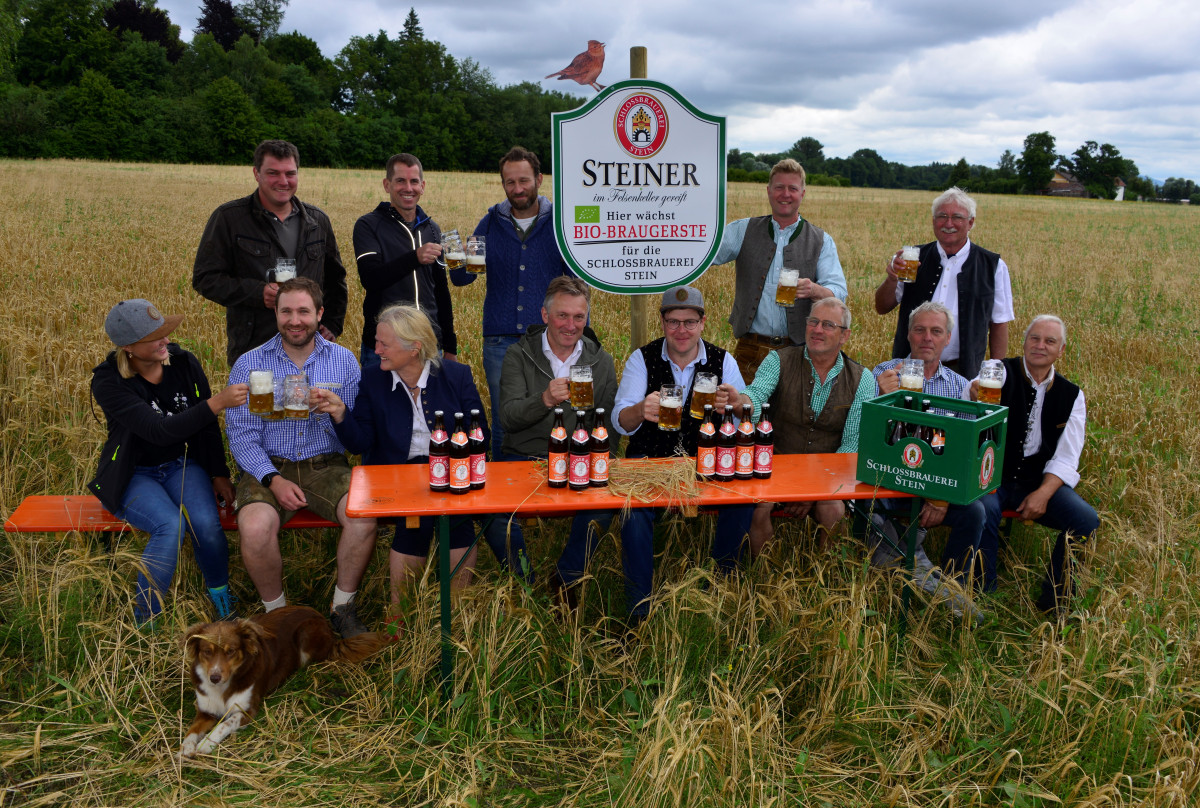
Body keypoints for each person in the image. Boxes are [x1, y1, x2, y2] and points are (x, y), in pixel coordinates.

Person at [312, 305, 486, 626]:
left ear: (414, 347)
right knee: (414, 518)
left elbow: (480, 434)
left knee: (458, 517)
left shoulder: (455, 375)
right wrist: (339, 413)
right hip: (396, 476)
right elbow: (360, 443)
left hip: (450, 470)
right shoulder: (372, 379)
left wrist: (451, 460)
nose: (376, 350)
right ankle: (401, 616)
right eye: (376, 342)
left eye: (384, 344)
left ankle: (458, 611)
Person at [226, 278, 375, 637]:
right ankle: (278, 616)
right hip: (269, 466)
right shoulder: (249, 363)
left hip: (326, 465)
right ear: (275, 314)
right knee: (255, 526)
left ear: (319, 313)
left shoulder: (344, 361)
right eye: (287, 311)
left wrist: (338, 412)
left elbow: (357, 436)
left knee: (364, 517)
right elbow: (242, 434)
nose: (295, 320)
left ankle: (342, 609)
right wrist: (272, 479)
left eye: (304, 311)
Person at [89, 299, 248, 625]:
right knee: (169, 526)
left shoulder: (184, 363)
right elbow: (157, 430)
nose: (166, 341)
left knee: (206, 524)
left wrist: (218, 473)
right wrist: (217, 402)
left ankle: (221, 603)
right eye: (155, 337)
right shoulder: (108, 382)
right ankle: (147, 622)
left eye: (165, 333)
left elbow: (205, 427)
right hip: (133, 474)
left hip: (181, 464)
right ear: (129, 347)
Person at [611, 286, 751, 624]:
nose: (681, 331)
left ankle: (718, 589)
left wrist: (737, 404)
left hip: (705, 465)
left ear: (703, 322)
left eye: (689, 322)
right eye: (673, 322)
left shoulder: (723, 360)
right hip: (651, 463)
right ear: (662, 322)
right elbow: (619, 420)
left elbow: (747, 412)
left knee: (743, 500)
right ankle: (639, 609)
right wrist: (639, 409)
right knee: (633, 512)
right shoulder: (641, 358)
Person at [970, 315, 1099, 614]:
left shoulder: (1072, 395)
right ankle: (984, 596)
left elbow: (1067, 455)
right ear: (1024, 342)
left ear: (1061, 350)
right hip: (992, 476)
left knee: (1085, 521)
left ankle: (1055, 603)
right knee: (983, 509)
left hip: (1037, 480)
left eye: (1049, 341)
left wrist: (1043, 493)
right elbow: (972, 397)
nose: (1040, 346)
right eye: (1034, 338)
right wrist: (973, 393)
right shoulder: (999, 372)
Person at [451, 146, 573, 459]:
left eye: (524, 181)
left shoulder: (560, 222)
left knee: (554, 414)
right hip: (500, 341)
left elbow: (577, 282)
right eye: (510, 183)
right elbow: (462, 279)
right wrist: (455, 257)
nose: (517, 189)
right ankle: (504, 502)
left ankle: (551, 491)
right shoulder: (492, 222)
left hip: (548, 338)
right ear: (503, 184)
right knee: (506, 419)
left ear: (539, 180)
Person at [729, 297, 875, 556]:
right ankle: (761, 578)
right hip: (774, 467)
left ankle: (828, 582)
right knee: (758, 507)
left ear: (845, 336)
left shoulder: (862, 378)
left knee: (834, 510)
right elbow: (756, 394)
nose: (818, 330)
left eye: (828, 325)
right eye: (813, 322)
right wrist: (740, 402)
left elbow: (852, 444)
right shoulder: (779, 360)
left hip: (829, 476)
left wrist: (813, 489)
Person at [494, 277, 618, 582]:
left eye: (579, 317)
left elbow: (608, 426)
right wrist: (544, 399)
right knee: (494, 514)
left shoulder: (600, 361)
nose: (571, 325)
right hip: (525, 457)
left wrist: (600, 464)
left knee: (604, 507)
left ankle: (566, 579)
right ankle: (526, 580)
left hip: (579, 460)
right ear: (545, 315)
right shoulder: (518, 355)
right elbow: (508, 418)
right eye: (562, 315)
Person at [193, 139, 348, 365]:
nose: (283, 181)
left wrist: (333, 324)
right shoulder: (230, 218)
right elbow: (205, 278)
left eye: (290, 173)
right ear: (257, 173)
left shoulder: (318, 221)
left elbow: (336, 280)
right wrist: (258, 293)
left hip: (310, 349)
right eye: (273, 173)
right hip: (254, 348)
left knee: (309, 401)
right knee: (258, 402)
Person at [870, 301, 986, 587]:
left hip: (935, 480)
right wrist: (878, 396)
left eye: (936, 331)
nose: (927, 338)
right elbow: (865, 435)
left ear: (948, 339)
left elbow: (960, 449)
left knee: (975, 512)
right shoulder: (883, 373)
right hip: (890, 477)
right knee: (867, 508)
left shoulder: (959, 385)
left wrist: (939, 495)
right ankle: (894, 571)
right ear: (908, 335)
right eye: (919, 330)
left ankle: (954, 584)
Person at [713, 158, 849, 381]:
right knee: (743, 414)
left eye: (792, 188)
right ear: (768, 191)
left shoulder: (821, 240)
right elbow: (705, 255)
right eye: (779, 187)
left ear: (802, 194)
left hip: (798, 351)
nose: (785, 194)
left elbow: (839, 293)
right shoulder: (743, 230)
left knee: (791, 416)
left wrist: (814, 289)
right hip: (750, 348)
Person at [874, 186, 1014, 380]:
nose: (949, 223)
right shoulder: (911, 258)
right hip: (911, 368)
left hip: (963, 372)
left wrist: (996, 374)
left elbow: (999, 322)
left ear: (971, 222)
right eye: (942, 216)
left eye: (957, 217)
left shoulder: (994, 266)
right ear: (933, 221)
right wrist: (891, 278)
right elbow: (881, 307)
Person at [352, 153, 457, 372]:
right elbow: (371, 279)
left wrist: (450, 346)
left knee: (429, 407)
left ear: (423, 186)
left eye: (414, 181)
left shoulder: (432, 229)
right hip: (383, 347)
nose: (408, 188)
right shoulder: (368, 225)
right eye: (400, 181)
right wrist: (415, 257)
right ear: (386, 184)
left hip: (428, 347)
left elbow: (441, 292)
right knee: (383, 407)